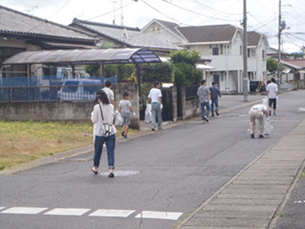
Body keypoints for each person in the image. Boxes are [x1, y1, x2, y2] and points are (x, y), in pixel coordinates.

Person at [91, 90, 117, 177]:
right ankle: (111, 169)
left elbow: (94, 120)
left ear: (99, 98)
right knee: (110, 151)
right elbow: (112, 117)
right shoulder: (111, 107)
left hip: (100, 132)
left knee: (98, 151)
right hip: (110, 131)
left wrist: (91, 117)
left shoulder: (97, 107)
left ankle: (95, 167)